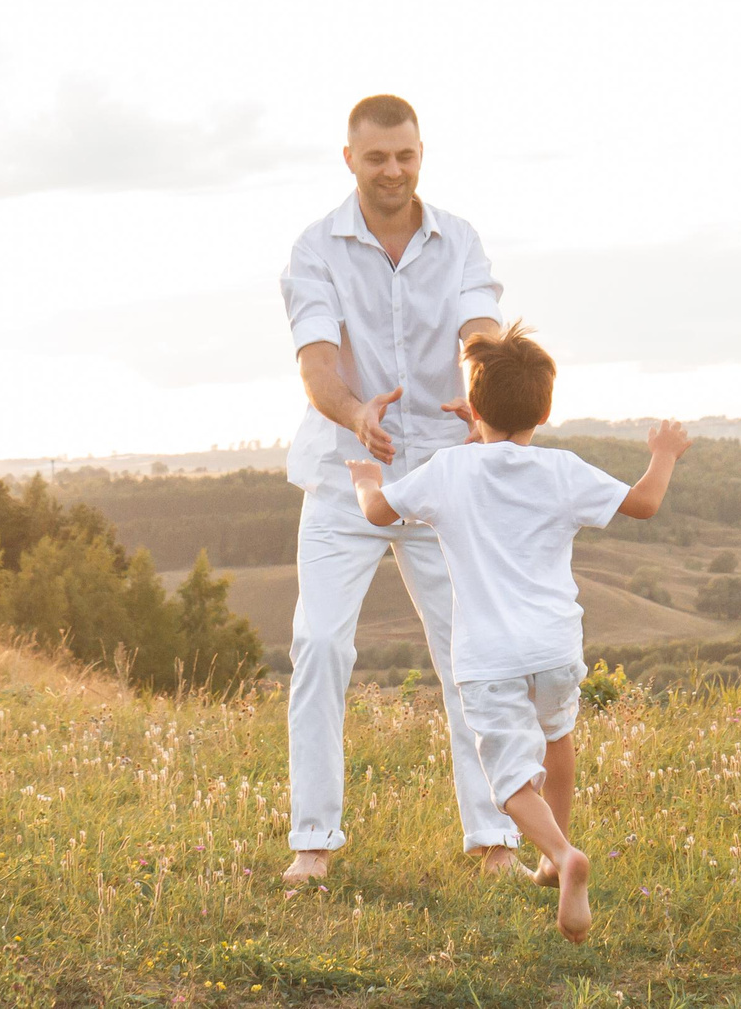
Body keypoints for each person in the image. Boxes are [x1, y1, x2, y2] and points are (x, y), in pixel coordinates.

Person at [349, 323, 691, 942]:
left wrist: (365, 481)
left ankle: (561, 857)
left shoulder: (450, 470)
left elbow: (378, 513)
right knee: (557, 737)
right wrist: (664, 453)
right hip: (555, 647)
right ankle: (549, 860)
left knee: (509, 780)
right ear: (545, 409)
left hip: (489, 658)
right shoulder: (561, 470)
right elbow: (643, 503)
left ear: (473, 410)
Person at [280, 94, 511, 884]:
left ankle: (492, 840)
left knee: (470, 651)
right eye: (377, 157)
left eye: (405, 155)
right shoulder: (315, 249)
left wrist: (482, 386)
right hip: (347, 474)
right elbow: (317, 363)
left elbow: (479, 327)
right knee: (318, 643)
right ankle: (313, 841)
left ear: (422, 153)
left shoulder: (461, 240)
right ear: (350, 158)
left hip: (443, 475)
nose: (393, 170)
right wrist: (355, 412)